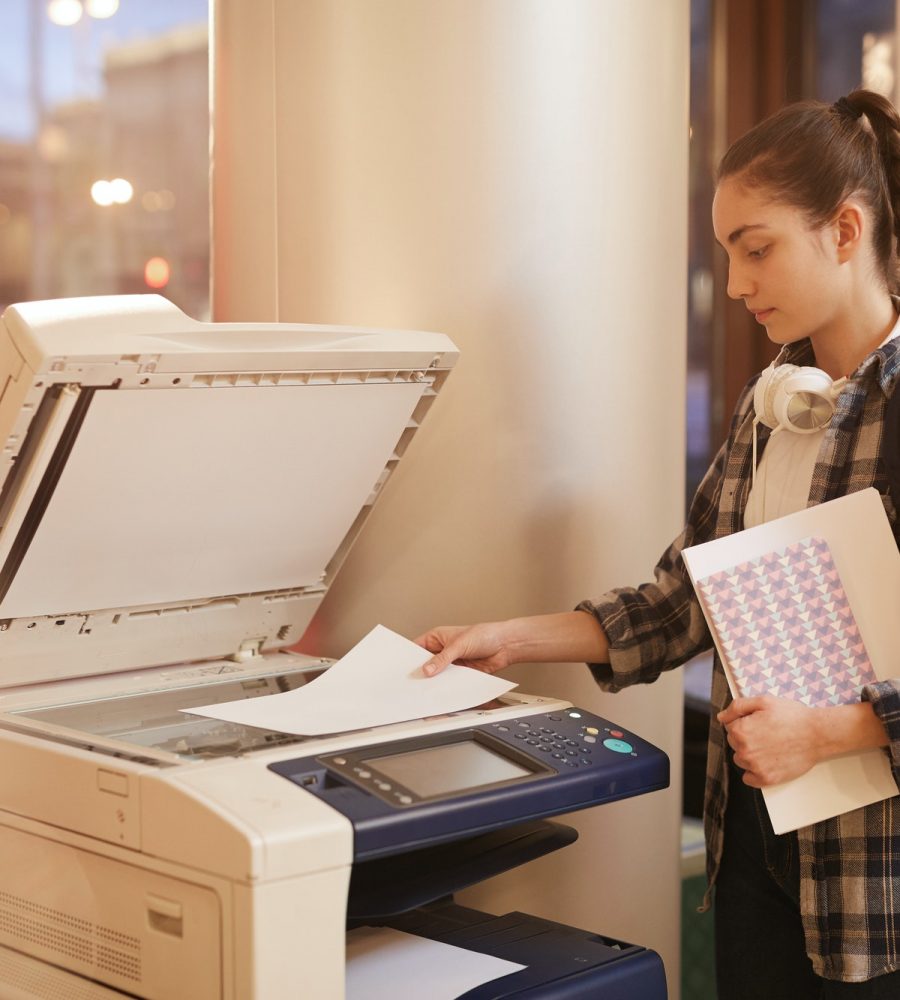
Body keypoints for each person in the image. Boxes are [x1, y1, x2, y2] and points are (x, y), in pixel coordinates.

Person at [417, 88, 900, 998]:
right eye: (727, 253)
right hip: (757, 848)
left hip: (878, 888)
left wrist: (831, 734)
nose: (737, 283)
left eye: (757, 248)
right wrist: (506, 641)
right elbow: (680, 605)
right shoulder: (776, 407)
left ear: (844, 230)